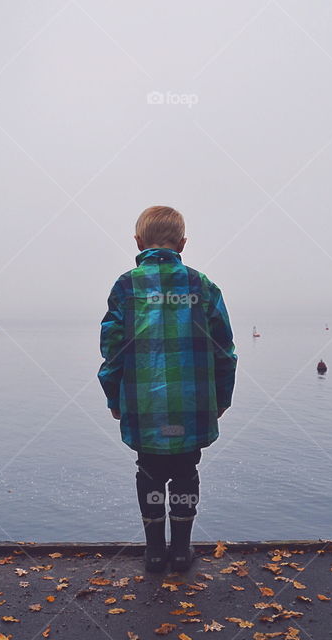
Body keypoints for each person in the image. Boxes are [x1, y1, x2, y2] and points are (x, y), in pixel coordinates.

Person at [98, 205, 237, 572]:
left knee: (149, 472)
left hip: (145, 408)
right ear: (183, 243)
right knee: (186, 472)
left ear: (138, 241)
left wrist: (113, 396)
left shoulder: (126, 286)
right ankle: (180, 552)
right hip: (190, 408)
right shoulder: (202, 286)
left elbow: (112, 348)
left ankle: (155, 552)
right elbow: (225, 350)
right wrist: (221, 398)